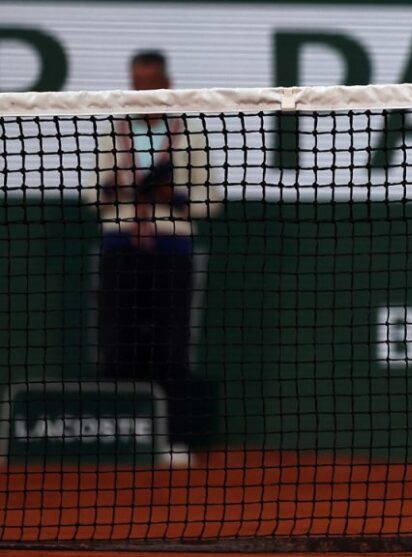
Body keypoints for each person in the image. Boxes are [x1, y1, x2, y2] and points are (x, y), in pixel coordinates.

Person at [83, 51, 221, 467]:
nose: (144, 91)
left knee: (172, 345)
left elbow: (210, 200)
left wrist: (172, 197)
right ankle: (114, 438)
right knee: (116, 341)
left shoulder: (189, 134)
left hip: (173, 250)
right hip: (120, 248)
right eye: (137, 83)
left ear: (168, 83)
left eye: (152, 83)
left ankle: (174, 439)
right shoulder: (114, 132)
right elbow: (91, 195)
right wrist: (117, 190)